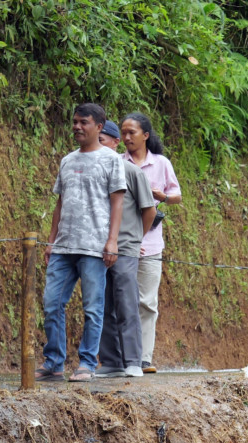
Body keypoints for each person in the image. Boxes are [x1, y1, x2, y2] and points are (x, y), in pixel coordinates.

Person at [36, 104, 126, 382]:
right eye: (74, 121)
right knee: (52, 303)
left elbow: (117, 201)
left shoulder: (111, 160)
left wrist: (112, 241)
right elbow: (59, 203)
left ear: (99, 127)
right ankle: (54, 362)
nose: (77, 127)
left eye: (83, 122)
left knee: (92, 307)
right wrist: (51, 242)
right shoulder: (67, 160)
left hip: (94, 247)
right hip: (64, 246)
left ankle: (87, 362)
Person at [120, 113, 181, 374]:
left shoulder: (161, 163)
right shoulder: (116, 162)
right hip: (123, 241)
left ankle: (144, 358)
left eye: (132, 132)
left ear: (145, 135)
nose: (126, 137)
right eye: (123, 132)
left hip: (152, 243)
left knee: (147, 301)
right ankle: (122, 357)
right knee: (121, 300)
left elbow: (177, 196)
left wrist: (163, 197)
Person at [96, 120, 157, 378]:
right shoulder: (93, 170)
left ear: (114, 143)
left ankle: (133, 360)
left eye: (102, 141)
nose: (97, 146)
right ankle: (111, 361)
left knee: (126, 301)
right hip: (97, 247)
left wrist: (135, 239)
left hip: (126, 248)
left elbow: (149, 210)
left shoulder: (131, 172)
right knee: (101, 302)